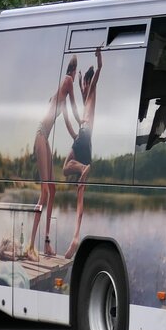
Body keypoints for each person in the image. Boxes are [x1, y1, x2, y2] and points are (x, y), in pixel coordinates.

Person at [28, 55, 79, 259]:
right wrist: (83, 120)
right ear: (73, 71)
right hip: (41, 135)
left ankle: (47, 243)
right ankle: (31, 245)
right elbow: (75, 107)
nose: (75, 79)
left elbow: (67, 120)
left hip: (45, 138)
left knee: (53, 190)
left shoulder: (61, 96)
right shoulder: (67, 81)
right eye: (76, 73)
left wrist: (77, 135)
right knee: (44, 193)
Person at [62, 47, 102, 259]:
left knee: (66, 167)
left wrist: (98, 57)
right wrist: (79, 82)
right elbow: (81, 91)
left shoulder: (91, 92)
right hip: (87, 139)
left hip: (84, 135)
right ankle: (76, 237)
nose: (84, 87)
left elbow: (99, 71)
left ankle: (83, 168)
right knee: (80, 193)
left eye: (86, 84)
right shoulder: (86, 96)